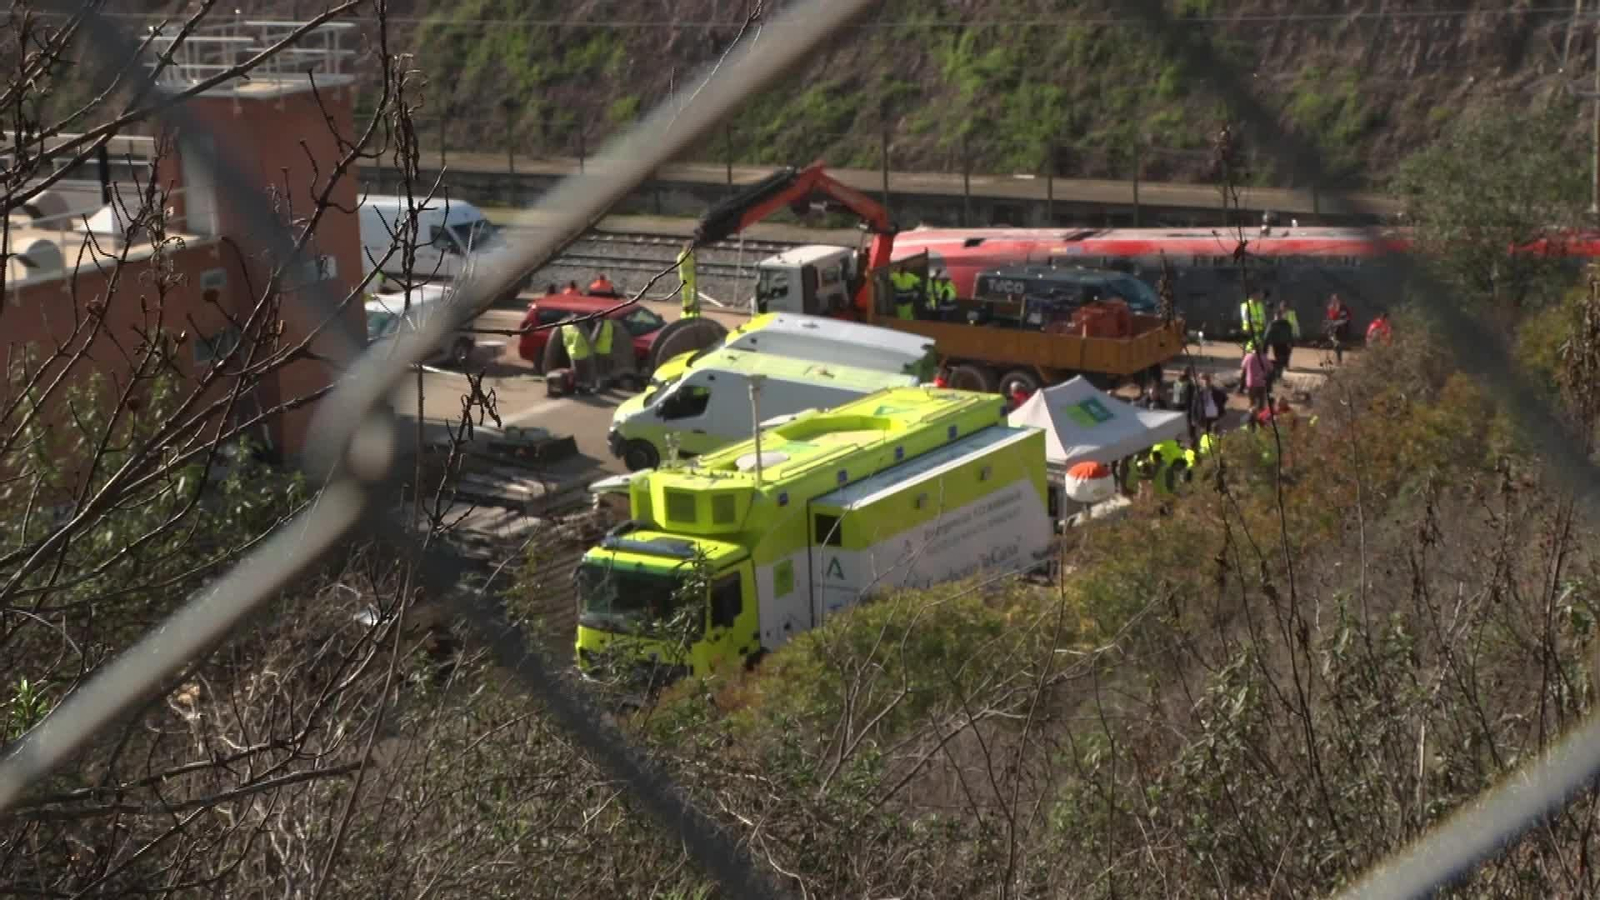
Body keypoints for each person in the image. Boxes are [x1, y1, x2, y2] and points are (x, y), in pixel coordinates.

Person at [558, 317, 594, 393]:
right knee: (586, 372)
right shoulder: (583, 329)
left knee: (577, 372)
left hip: (573, 354)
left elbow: (566, 342)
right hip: (584, 354)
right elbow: (588, 341)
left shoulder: (566, 328)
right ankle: (586, 389)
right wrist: (591, 351)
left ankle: (578, 388)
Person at [1263, 305, 1297, 386]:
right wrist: (1265, 346)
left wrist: (1291, 343)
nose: (1278, 316)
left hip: (1283, 344)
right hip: (1278, 344)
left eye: (1279, 315)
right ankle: (1277, 375)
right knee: (1279, 360)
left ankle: (1278, 375)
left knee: (1282, 360)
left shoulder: (1284, 324)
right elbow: (1267, 336)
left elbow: (1289, 334)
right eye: (1277, 315)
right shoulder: (1275, 324)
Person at [1240, 345, 1271, 421]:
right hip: (1262, 383)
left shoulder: (1248, 356)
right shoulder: (1264, 358)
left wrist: (1241, 386)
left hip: (1251, 383)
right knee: (1261, 403)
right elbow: (1270, 368)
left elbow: (1243, 369)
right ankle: (1261, 419)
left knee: (1252, 402)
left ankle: (1251, 419)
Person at [590, 315, 617, 390]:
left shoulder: (600, 324)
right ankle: (606, 387)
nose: (594, 320)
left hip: (599, 350)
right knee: (605, 371)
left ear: (599, 317)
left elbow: (594, 337)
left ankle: (599, 387)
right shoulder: (610, 323)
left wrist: (589, 345)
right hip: (607, 350)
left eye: (595, 318)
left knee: (599, 371)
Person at [1325, 293, 1352, 364]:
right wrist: (1329, 323)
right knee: (1335, 343)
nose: (1334, 301)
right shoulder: (1330, 307)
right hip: (1333, 329)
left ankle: (1339, 360)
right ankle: (1336, 356)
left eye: (1335, 299)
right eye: (1332, 299)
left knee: (1338, 345)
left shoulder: (1343, 307)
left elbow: (1346, 318)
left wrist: (1337, 323)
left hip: (1341, 329)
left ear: (1338, 300)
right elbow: (1329, 317)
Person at [677, 247, 700, 319]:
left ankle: (692, 306)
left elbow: (693, 265)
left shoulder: (691, 256)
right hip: (685, 278)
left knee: (693, 294)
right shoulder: (682, 256)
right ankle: (686, 307)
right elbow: (684, 266)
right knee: (686, 293)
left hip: (691, 278)